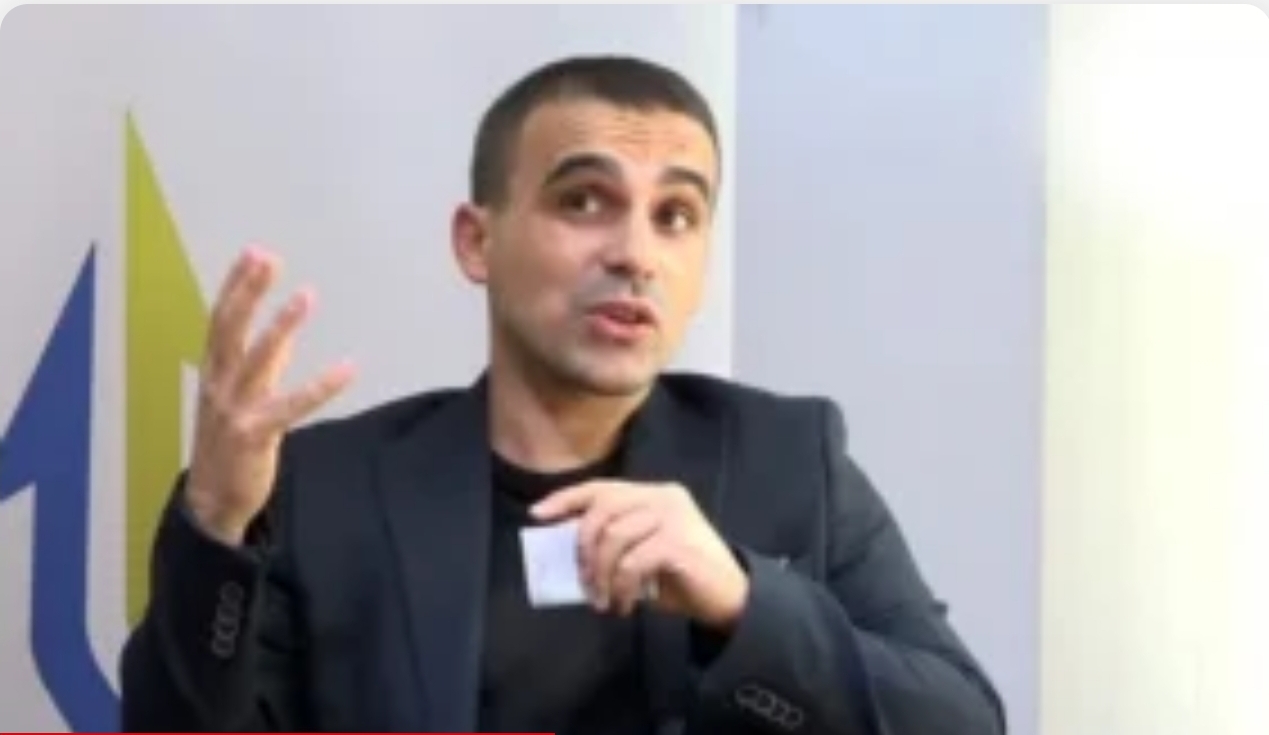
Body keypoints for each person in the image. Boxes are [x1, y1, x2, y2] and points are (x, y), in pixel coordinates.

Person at [119, 55, 1006, 735]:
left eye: (675, 216)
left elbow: (963, 719)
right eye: (584, 201)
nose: (635, 254)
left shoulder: (788, 460)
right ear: (477, 241)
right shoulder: (327, 488)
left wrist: (743, 602)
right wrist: (216, 521)